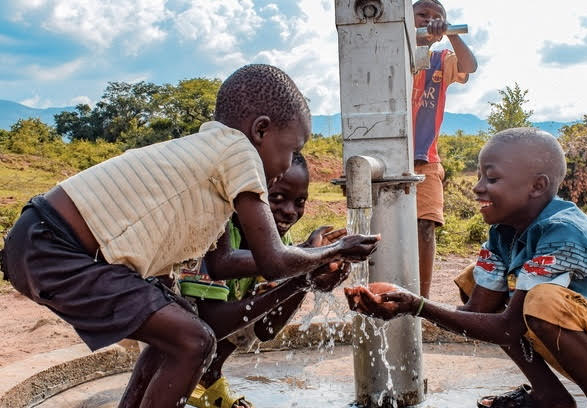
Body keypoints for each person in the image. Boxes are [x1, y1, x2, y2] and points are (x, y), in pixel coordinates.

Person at [0, 64, 379, 408]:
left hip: (39, 239)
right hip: (57, 246)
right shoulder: (238, 152)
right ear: (260, 130)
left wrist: (305, 262)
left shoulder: (212, 160)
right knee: (194, 340)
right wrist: (338, 247)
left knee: (177, 326)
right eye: (292, 148)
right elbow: (273, 261)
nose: (285, 165)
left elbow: (221, 262)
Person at [347, 128, 587, 408]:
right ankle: (551, 397)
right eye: (479, 176)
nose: (477, 187)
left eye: (492, 178)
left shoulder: (563, 231)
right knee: (478, 283)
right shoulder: (502, 234)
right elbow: (481, 313)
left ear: (537, 186)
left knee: (541, 301)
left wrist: (416, 305)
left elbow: (507, 328)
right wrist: (406, 305)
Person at [182, 152, 349, 408]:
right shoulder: (216, 230)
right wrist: (300, 272)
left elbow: (266, 329)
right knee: (235, 309)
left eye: (300, 201)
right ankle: (179, 379)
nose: (290, 212)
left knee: (260, 300)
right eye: (277, 198)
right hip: (163, 322)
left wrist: (306, 277)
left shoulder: (279, 242)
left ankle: (208, 377)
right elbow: (212, 323)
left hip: (203, 325)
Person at [412, 0, 477, 298]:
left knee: (426, 225)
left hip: (425, 158)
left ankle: (422, 300)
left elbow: (470, 66)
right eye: (422, 15)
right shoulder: (392, 55)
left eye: (437, 18)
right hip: (387, 154)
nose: (429, 20)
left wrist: (451, 34)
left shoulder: (441, 59)